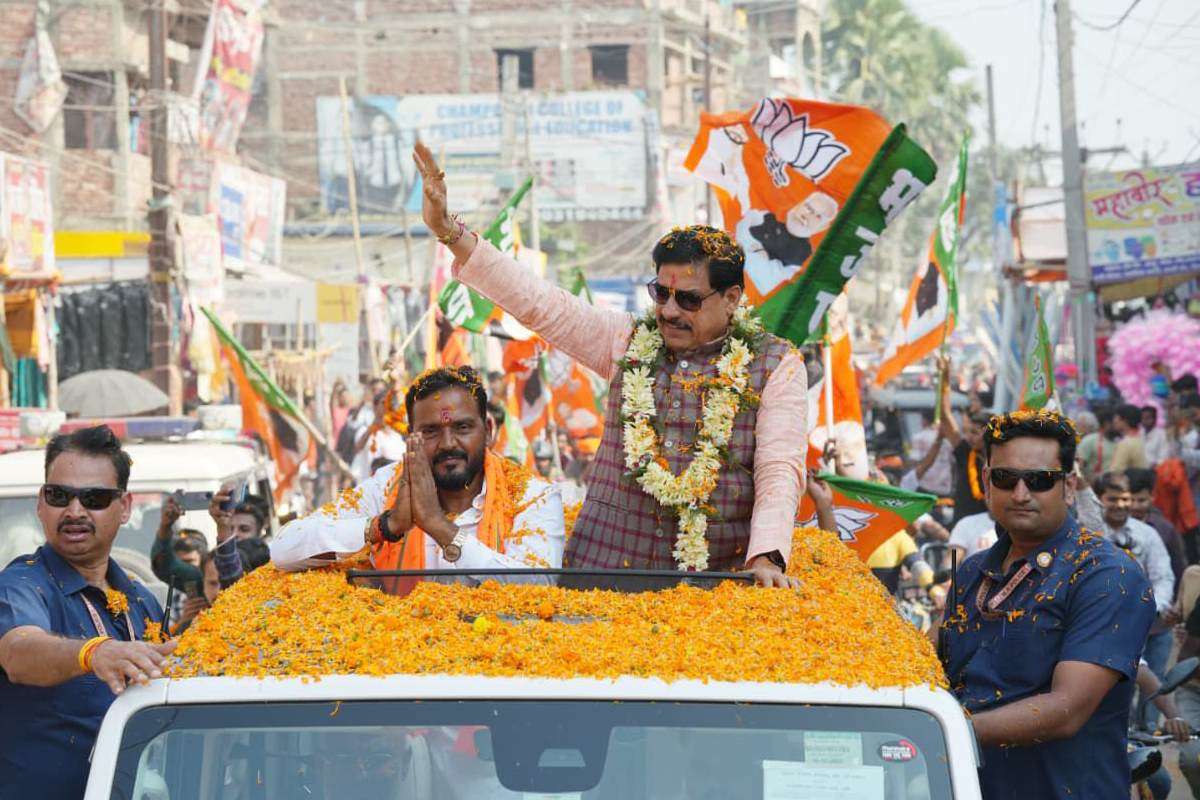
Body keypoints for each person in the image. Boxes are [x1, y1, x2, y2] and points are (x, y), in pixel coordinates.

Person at [415, 142, 806, 587]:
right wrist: (449, 232)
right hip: (599, 576)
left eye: (689, 299)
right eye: (661, 294)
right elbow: (542, 304)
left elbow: (779, 468)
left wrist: (766, 557)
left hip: (710, 590)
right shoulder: (627, 340)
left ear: (732, 298)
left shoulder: (776, 366)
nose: (669, 311)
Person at [937, 410, 1156, 799]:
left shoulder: (1107, 575)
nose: (1021, 494)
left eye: (1039, 480)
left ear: (1069, 486)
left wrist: (945, 732)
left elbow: (1066, 710)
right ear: (987, 481)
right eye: (1006, 478)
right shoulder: (971, 571)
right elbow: (932, 668)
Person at [0, 425, 176, 800]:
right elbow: (18, 651)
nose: (74, 511)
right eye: (59, 495)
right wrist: (92, 654)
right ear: (41, 503)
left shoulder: (141, 599)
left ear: (124, 507)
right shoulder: (21, 585)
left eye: (94, 498)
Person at [271, 367, 565, 584]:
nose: (448, 443)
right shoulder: (388, 487)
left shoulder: (531, 495)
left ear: (487, 431)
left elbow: (539, 585)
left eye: (462, 428)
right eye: (431, 431)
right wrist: (386, 525)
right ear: (410, 437)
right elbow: (284, 549)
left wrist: (439, 527)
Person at [936, 360, 990, 526]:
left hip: (989, 529)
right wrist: (944, 378)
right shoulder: (965, 451)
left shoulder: (1001, 460)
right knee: (953, 548)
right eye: (968, 432)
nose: (969, 437)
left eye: (974, 433)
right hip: (961, 525)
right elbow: (945, 417)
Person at [910, 409, 953, 498]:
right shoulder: (949, 439)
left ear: (924, 420)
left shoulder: (919, 437)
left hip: (924, 487)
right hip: (944, 487)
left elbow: (914, 461)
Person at [1077, 407, 1116, 483]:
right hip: (1094, 486)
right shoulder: (1090, 440)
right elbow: (1078, 467)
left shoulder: (1119, 441)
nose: (1117, 426)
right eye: (1115, 423)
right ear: (1107, 424)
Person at [1109, 403, 1149, 471]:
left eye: (1116, 417)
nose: (1114, 421)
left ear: (1125, 421)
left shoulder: (1126, 444)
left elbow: (1116, 471)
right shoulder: (1140, 439)